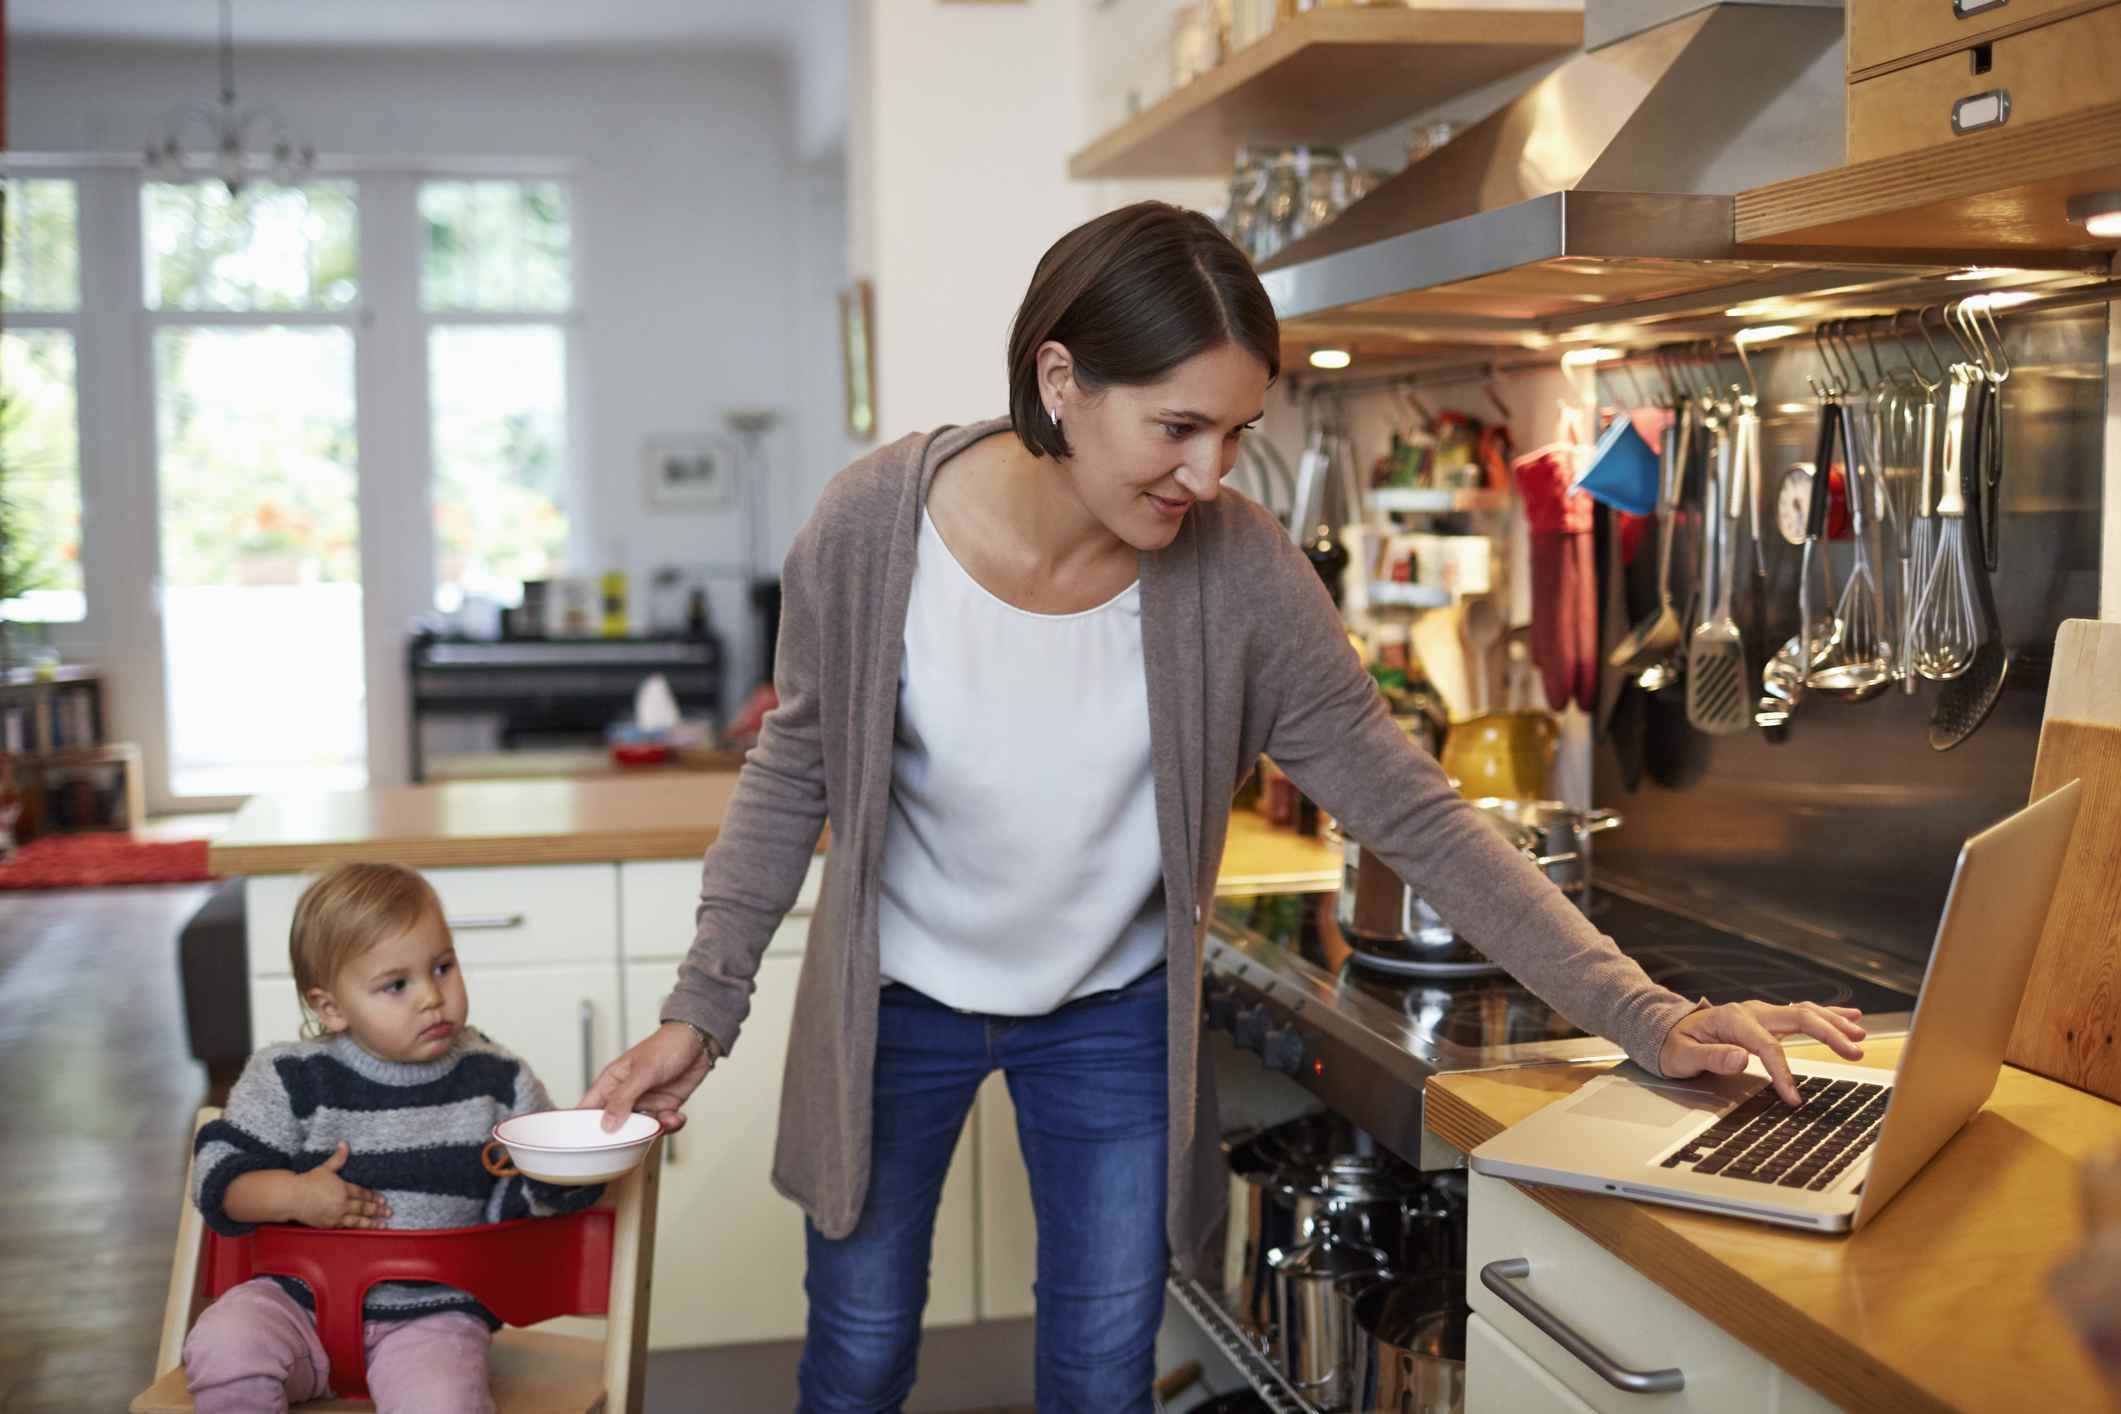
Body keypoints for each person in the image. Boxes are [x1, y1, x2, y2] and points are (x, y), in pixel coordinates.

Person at [582, 200, 1868, 1412]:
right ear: (1058, 381)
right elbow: (790, 772)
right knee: (859, 1354)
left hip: (1113, 1015)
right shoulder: (872, 529)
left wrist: (1646, 1012)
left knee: (1098, 1369)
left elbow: (1414, 811)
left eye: (1237, 433)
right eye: (1178, 426)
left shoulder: (1239, 573)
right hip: (891, 1001)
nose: (1208, 474)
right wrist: (704, 1008)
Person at [182, 862, 602, 1414]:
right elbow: (217, 1177)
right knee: (223, 1344)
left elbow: (528, 1205)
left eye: (443, 967)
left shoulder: (497, 1080)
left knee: (443, 1403)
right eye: (396, 984)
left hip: (434, 1317)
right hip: (292, 1307)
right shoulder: (289, 1077)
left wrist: (573, 1160)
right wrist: (293, 1195)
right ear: (330, 1007)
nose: (432, 996)